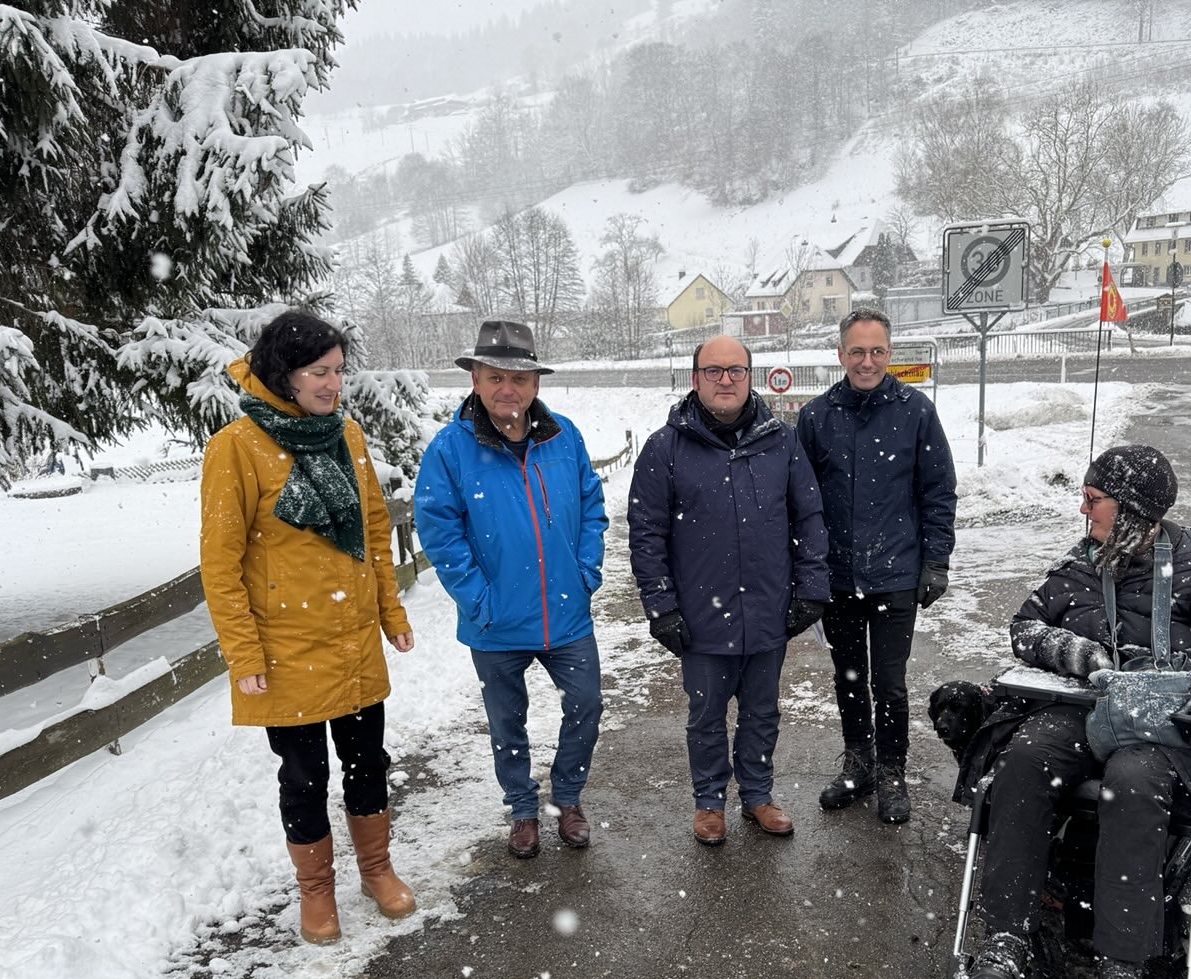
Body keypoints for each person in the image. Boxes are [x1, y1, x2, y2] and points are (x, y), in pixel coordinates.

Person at [960, 444, 1191, 979]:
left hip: (1165, 720)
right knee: (1025, 759)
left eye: (1093, 499)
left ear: (1132, 509)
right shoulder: (1085, 561)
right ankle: (1007, 936)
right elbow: (1024, 626)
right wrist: (1075, 652)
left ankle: (1121, 969)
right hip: (1091, 707)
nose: (1084, 512)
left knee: (1132, 783)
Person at [200, 310, 418, 946]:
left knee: (366, 761)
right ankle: (315, 892)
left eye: (340, 372)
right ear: (284, 373)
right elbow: (220, 563)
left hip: (351, 641)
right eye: (320, 372)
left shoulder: (346, 435)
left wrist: (391, 613)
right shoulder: (235, 447)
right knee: (303, 777)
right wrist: (243, 654)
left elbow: (375, 530)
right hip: (284, 648)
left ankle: (376, 870)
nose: (333, 385)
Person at [413, 319, 607, 860]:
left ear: (535, 385)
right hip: (495, 622)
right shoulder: (451, 450)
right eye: (495, 376)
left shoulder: (563, 436)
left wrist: (585, 570)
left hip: (566, 615)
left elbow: (592, 507)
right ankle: (523, 809)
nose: (508, 389)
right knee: (507, 721)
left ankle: (567, 799)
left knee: (586, 705)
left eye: (519, 378)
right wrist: (480, 599)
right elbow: (440, 532)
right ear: (475, 379)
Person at [628, 336, 830, 845]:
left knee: (762, 711)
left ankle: (757, 795)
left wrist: (811, 588)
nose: (725, 380)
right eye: (713, 370)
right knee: (706, 715)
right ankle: (709, 802)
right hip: (699, 615)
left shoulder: (781, 441)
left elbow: (808, 517)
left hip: (767, 609)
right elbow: (646, 533)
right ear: (694, 378)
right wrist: (661, 606)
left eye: (735, 370)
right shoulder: (664, 447)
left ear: (750, 376)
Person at [797, 307, 958, 824]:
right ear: (840, 354)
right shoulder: (817, 417)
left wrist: (936, 560)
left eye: (877, 351)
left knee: (888, 681)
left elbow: (938, 490)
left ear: (890, 354)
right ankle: (858, 761)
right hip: (838, 578)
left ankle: (891, 769)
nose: (867, 361)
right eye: (857, 351)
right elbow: (799, 501)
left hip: (895, 575)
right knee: (848, 676)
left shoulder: (915, 411)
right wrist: (807, 571)